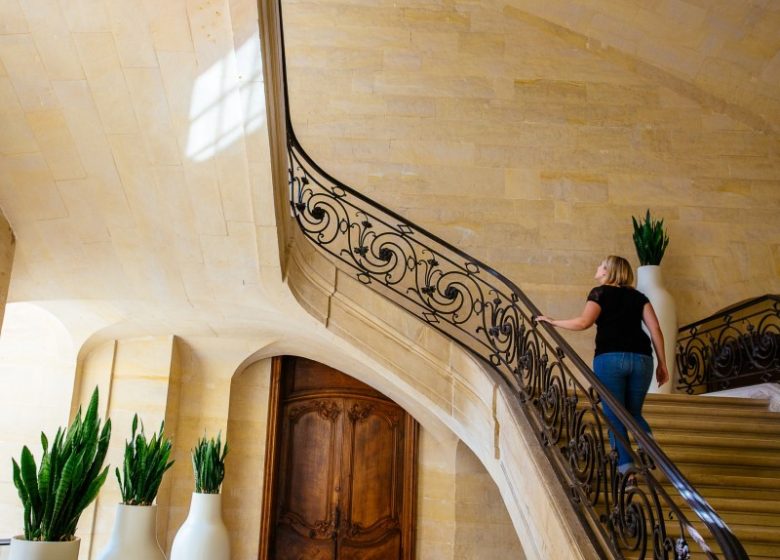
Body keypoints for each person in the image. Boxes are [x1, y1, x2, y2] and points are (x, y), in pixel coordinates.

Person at [535, 255, 670, 476]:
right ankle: (649, 447)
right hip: (642, 359)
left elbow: (584, 322)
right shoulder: (639, 297)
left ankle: (627, 470)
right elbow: (656, 330)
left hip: (610, 358)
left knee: (614, 414)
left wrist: (553, 321)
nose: (597, 267)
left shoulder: (600, 293)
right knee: (633, 412)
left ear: (608, 271)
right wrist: (662, 363)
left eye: (601, 265)